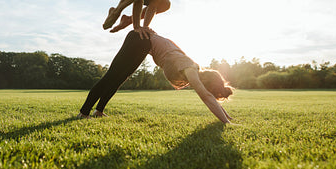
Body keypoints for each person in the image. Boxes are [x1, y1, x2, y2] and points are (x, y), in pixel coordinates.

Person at [78, 30, 233, 123]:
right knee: (112, 76)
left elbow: (209, 95)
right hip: (140, 40)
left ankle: (98, 111)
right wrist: (226, 122)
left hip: (143, 43)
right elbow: (206, 96)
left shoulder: (189, 65)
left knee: (119, 78)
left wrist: (228, 117)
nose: (206, 90)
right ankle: (84, 112)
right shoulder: (190, 68)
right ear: (207, 82)